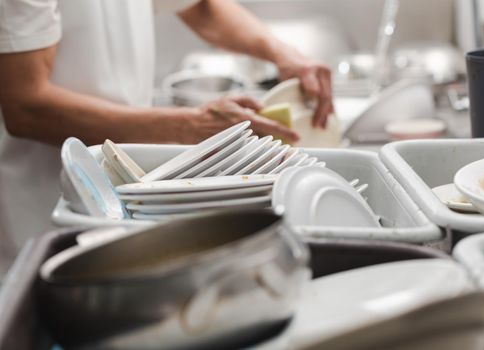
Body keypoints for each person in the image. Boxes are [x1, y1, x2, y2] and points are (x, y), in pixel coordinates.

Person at [0, 0, 334, 277]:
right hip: (42, 211)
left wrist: (283, 54)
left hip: (124, 189)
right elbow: (27, 106)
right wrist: (190, 126)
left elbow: (200, 7)